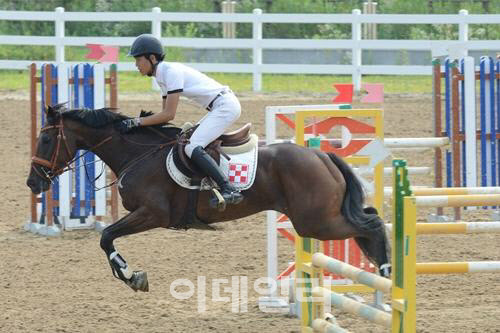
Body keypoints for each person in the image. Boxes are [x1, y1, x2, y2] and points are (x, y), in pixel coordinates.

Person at [119, 34, 243, 208]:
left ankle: (229, 188)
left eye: (138, 59)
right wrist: (137, 124)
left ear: (152, 58)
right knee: (187, 140)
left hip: (225, 106)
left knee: (192, 146)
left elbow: (169, 115)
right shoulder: (161, 76)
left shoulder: (170, 72)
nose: (136, 65)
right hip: (219, 106)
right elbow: (164, 114)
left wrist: (136, 122)